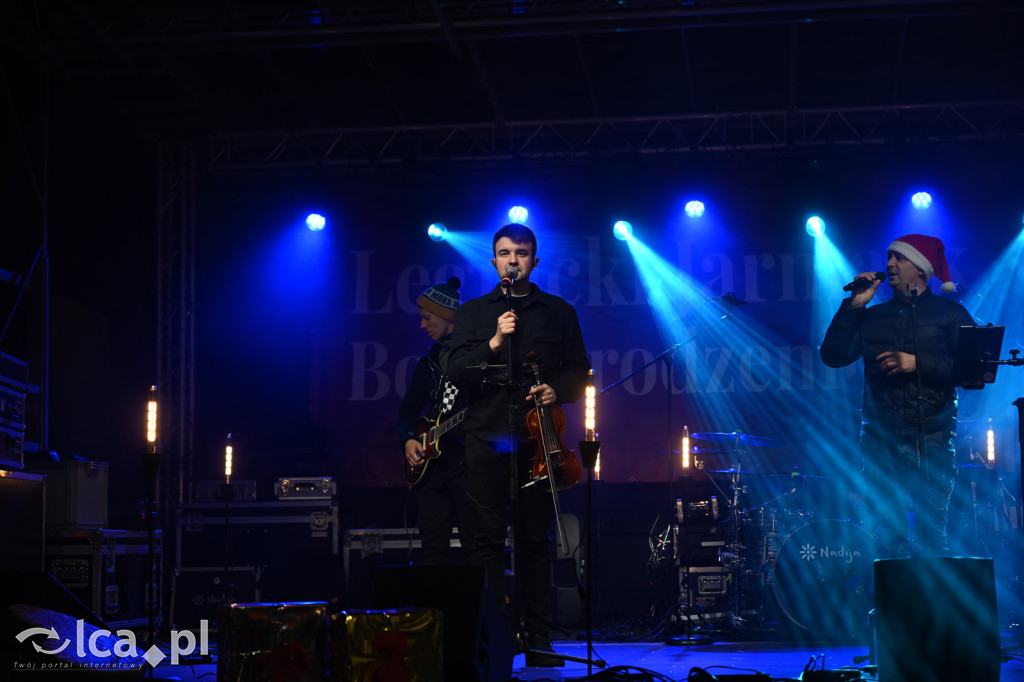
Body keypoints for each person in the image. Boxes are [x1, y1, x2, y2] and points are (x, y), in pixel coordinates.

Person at [444, 223, 590, 667]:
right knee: (485, 541)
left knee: (533, 540)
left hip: (537, 441)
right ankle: (493, 638)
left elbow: (579, 372)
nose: (513, 260)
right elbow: (455, 371)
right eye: (505, 253)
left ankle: (539, 637)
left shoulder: (558, 312)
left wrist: (556, 391)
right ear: (493, 261)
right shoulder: (473, 313)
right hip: (487, 436)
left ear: (534, 260)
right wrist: (494, 340)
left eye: (521, 253)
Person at [820, 234, 975, 558]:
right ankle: (894, 607)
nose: (889, 264)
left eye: (898, 258)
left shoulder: (950, 314)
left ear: (920, 268)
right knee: (888, 535)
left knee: (932, 534)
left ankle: (932, 608)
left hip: (932, 434)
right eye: (889, 257)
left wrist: (918, 363)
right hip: (881, 438)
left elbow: (973, 369)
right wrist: (853, 307)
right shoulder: (872, 315)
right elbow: (833, 355)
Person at [396, 277, 476, 566]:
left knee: (475, 549)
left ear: (446, 317)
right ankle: (433, 612)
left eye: (427, 317)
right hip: (430, 474)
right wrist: (408, 439)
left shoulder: (476, 355)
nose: (422, 325)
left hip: (468, 467)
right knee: (432, 552)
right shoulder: (426, 364)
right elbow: (406, 412)